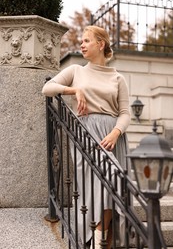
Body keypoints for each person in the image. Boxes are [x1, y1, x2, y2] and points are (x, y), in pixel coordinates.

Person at [42, 25, 131, 249]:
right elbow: (47, 88)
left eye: (86, 40)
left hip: (112, 137)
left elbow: (125, 113)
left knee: (114, 181)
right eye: (81, 41)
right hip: (86, 134)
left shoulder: (118, 78)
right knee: (93, 187)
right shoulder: (75, 71)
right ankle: (97, 236)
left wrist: (116, 132)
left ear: (100, 44)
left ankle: (100, 236)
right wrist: (74, 91)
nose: (81, 44)